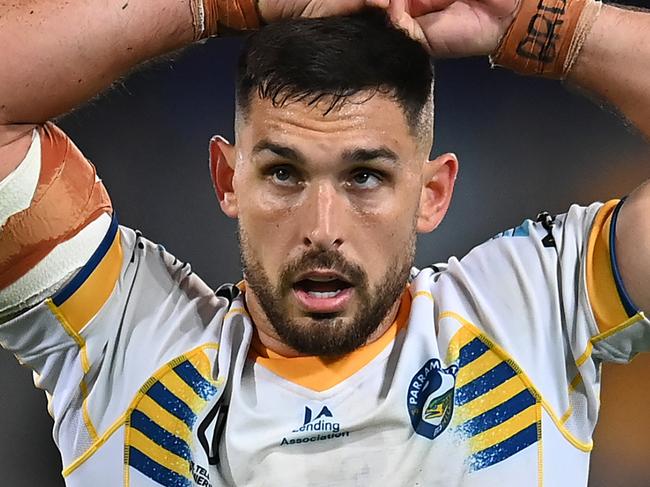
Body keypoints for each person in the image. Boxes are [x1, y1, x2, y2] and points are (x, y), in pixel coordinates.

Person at [0, 0, 648, 485]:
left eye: (365, 176)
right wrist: (216, 4)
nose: (322, 227)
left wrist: (557, 26)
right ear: (228, 178)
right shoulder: (128, 341)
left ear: (431, 193)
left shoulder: (529, 312)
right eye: (284, 173)